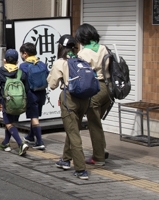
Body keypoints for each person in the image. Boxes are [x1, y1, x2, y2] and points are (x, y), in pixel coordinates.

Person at [48, 34, 90, 180]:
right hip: (84, 99)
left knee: (73, 134)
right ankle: (65, 160)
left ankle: (80, 169)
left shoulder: (60, 62)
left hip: (70, 99)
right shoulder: (80, 60)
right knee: (73, 129)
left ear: (60, 47)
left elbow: (52, 85)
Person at [75, 23, 111, 166]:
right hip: (108, 90)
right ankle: (101, 150)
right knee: (98, 123)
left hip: (94, 89)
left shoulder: (83, 53)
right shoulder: (104, 48)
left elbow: (80, 75)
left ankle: (98, 157)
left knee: (94, 124)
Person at [0, 49, 29, 156]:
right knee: (11, 122)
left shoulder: (0, 72)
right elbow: (26, 88)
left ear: (4, 60)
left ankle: (20, 143)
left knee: (8, 123)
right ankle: (5, 143)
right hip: (18, 101)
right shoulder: (20, 73)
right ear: (17, 61)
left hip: (6, 101)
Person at [20, 42, 49, 150]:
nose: (21, 56)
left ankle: (40, 141)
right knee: (35, 115)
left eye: (22, 54)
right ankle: (31, 136)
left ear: (25, 54)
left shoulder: (24, 66)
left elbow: (22, 79)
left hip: (31, 93)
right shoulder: (41, 64)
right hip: (41, 92)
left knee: (34, 117)